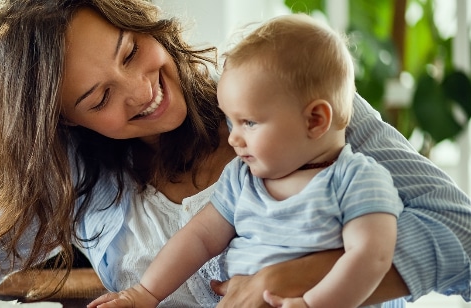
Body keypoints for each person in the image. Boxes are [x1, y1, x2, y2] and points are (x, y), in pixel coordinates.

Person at [0, 1, 471, 307]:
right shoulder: (86, 174)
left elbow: (462, 232)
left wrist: (309, 276)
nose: (141, 91)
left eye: (131, 51)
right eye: (99, 95)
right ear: (62, 123)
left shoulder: (282, 96)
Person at [87, 14, 402, 308]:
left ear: (315, 120)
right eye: (230, 120)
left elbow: (371, 259)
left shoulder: (356, 180)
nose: (233, 137)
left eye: (248, 123)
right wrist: (145, 293)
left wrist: (312, 303)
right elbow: (198, 239)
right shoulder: (242, 178)